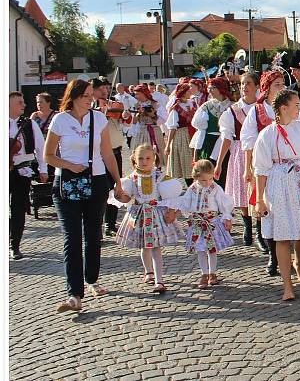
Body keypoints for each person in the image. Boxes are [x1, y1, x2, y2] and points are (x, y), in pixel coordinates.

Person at [44, 79, 127, 313]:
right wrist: (69, 165)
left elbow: (108, 154)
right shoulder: (60, 120)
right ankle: (74, 294)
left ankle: (91, 279)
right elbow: (48, 155)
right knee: (72, 237)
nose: (90, 98)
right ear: (74, 96)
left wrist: (118, 183)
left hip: (96, 181)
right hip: (67, 183)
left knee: (93, 236)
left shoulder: (98, 118)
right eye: (86, 95)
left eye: (92, 94)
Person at [253, 90, 300, 301]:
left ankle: (299, 262)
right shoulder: (267, 135)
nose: (299, 108)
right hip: (280, 184)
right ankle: (287, 284)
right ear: (283, 108)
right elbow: (261, 170)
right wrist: (260, 199)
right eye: (296, 105)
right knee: (283, 234)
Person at [112, 144, 182, 294]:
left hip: (156, 215)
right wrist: (120, 195)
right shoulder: (131, 179)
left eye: (148, 158)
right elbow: (127, 198)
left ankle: (159, 280)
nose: (144, 161)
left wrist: (172, 211)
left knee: (156, 247)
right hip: (139, 214)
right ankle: (148, 271)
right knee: (144, 246)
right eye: (141, 158)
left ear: (154, 158)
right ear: (135, 160)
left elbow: (171, 197)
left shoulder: (160, 177)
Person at [165, 159, 235, 289]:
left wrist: (227, 218)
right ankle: (204, 273)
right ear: (196, 177)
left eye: (210, 179)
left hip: (211, 223)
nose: (207, 183)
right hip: (197, 223)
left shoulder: (215, 188)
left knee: (212, 250)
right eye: (203, 180)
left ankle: (212, 273)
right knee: (200, 250)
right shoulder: (192, 189)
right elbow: (185, 204)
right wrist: (175, 214)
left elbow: (223, 204)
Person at [241, 70, 285, 260]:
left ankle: (283, 247)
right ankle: (264, 240)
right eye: (277, 85)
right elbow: (248, 141)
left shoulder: (288, 107)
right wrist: (248, 168)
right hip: (263, 165)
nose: (281, 88)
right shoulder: (256, 111)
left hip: (284, 165)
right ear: (266, 89)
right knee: (261, 202)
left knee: (282, 206)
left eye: (283, 84)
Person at [215, 74, 260, 252]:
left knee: (259, 189)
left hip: (260, 151)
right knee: (242, 189)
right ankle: (247, 225)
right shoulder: (232, 111)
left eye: (248, 83)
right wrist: (219, 164)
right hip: (240, 152)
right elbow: (226, 138)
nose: (244, 87)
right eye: (242, 84)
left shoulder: (263, 107)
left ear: (257, 86)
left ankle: (259, 230)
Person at [9, 92, 48, 260]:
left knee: (18, 209)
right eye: (19, 102)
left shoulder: (28, 124)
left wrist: (43, 168)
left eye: (23, 102)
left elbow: (41, 147)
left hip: (22, 171)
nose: (23, 105)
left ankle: (14, 244)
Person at [91, 78, 129, 238]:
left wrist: (125, 115)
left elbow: (126, 123)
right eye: (101, 89)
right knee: (99, 190)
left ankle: (111, 224)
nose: (105, 92)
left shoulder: (114, 105)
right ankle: (96, 226)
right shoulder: (90, 109)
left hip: (115, 151)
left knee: (115, 187)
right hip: (97, 154)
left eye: (107, 89)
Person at [190, 76, 233, 186]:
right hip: (208, 144)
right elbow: (199, 129)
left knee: (225, 173)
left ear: (220, 88)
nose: (209, 91)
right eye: (208, 88)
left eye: (212, 88)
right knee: (207, 172)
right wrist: (196, 153)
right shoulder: (206, 106)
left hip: (227, 144)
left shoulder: (232, 106)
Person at [164, 83, 197, 185]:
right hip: (182, 136)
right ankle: (189, 184)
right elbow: (172, 128)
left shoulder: (193, 103)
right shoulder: (176, 108)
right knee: (187, 161)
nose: (190, 92)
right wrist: (168, 145)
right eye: (188, 90)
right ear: (183, 93)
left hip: (194, 134)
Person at [129, 85, 167, 164]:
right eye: (135, 94)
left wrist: (152, 115)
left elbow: (165, 117)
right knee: (140, 152)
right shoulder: (136, 105)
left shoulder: (154, 104)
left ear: (144, 93)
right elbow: (134, 122)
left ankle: (157, 171)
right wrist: (136, 115)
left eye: (138, 94)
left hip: (154, 130)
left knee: (156, 152)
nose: (136, 96)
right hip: (140, 131)